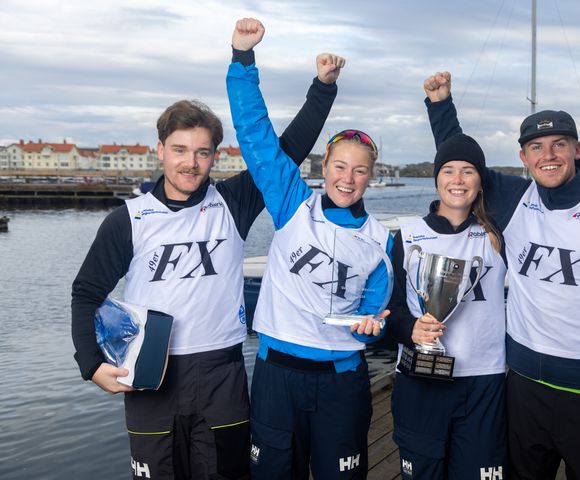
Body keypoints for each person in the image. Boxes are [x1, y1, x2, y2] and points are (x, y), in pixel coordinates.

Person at [71, 48, 344, 479]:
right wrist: (91, 364)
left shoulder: (232, 202)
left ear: (215, 155)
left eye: (202, 152)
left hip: (222, 375)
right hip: (150, 375)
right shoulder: (128, 219)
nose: (190, 163)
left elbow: (285, 150)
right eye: (180, 150)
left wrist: (323, 88)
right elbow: (86, 292)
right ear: (160, 149)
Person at [425, 72, 580, 480]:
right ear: (523, 157)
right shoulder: (513, 200)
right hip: (522, 389)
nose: (548, 155)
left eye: (560, 145)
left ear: (578, 150)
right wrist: (440, 104)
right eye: (536, 147)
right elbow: (460, 159)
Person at [226, 18, 393, 480]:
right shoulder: (292, 204)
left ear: (371, 177)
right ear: (324, 168)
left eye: (359, 171)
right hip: (277, 377)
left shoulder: (381, 241)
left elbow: (375, 318)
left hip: (342, 382)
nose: (347, 178)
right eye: (339, 166)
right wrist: (243, 57)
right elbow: (255, 136)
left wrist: (368, 330)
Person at [386, 133, 508, 479]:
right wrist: (410, 329)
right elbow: (390, 308)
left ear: (481, 181)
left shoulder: (495, 235)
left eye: (468, 171)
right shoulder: (407, 236)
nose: (458, 180)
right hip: (422, 381)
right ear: (436, 178)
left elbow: (554, 183)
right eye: (449, 171)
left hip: (483, 383)